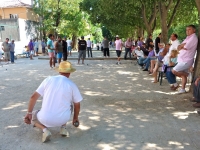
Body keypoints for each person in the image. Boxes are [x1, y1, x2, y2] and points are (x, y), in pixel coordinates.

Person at [24, 61, 83, 143]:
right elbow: (77, 105)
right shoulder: (72, 85)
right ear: (69, 73)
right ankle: (63, 128)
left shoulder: (48, 79)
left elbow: (33, 97)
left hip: (44, 118)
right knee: (71, 106)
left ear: (59, 71)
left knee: (33, 115)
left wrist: (29, 113)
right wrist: (75, 118)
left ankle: (45, 130)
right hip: (63, 119)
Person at [172, 25, 198, 94]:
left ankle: (187, 74)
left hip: (187, 60)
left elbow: (186, 46)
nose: (187, 31)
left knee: (174, 71)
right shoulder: (188, 37)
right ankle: (183, 89)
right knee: (182, 75)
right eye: (186, 30)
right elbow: (179, 47)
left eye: (189, 29)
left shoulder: (193, 38)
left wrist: (182, 46)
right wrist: (182, 46)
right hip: (182, 59)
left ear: (194, 30)